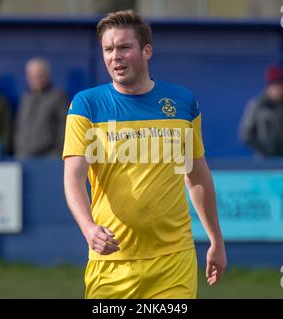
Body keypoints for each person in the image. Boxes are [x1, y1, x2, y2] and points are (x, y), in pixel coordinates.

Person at [63, 10, 226, 299]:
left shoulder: (182, 104)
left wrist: (216, 239)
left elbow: (197, 175)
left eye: (125, 47)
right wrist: (89, 229)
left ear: (146, 50)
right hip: (111, 264)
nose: (116, 56)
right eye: (108, 49)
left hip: (173, 260)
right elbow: (74, 179)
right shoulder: (86, 106)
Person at [239, 65, 283, 156]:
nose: (280, 89)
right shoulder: (257, 105)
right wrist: (264, 148)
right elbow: (246, 134)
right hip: (264, 161)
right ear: (269, 87)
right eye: (277, 85)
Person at [14, 57, 67, 158]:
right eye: (32, 77)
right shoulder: (25, 98)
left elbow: (64, 125)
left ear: (47, 76)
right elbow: (18, 124)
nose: (36, 80)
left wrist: (57, 151)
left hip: (48, 157)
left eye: (39, 76)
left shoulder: (58, 96)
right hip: (23, 155)